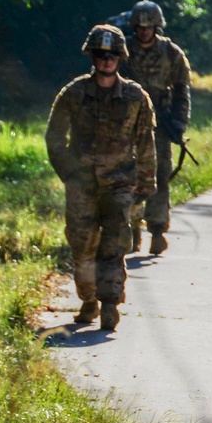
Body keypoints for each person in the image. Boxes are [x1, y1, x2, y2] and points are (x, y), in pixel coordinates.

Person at [45, 25, 156, 331]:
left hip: (120, 183)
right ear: (91, 56)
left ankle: (109, 304)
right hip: (82, 185)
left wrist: (146, 184)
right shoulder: (73, 93)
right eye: (100, 54)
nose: (107, 60)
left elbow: (145, 142)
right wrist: (69, 172)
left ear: (121, 57)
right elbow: (54, 137)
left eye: (113, 55)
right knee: (82, 247)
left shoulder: (135, 97)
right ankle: (88, 299)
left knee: (114, 246)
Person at [123, 0, 192, 255]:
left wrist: (179, 122)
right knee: (128, 175)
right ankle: (131, 228)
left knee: (160, 175)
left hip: (160, 125)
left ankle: (157, 229)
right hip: (128, 122)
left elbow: (182, 90)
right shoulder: (124, 51)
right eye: (139, 27)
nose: (143, 31)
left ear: (157, 27)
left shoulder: (172, 53)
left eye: (148, 27)